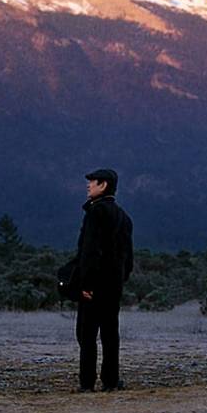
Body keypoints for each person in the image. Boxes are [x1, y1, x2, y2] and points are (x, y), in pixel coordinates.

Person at [74, 168, 133, 392]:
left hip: (95, 285)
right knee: (110, 333)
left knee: (86, 333)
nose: (88, 185)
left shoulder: (95, 213)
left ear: (104, 185)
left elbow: (90, 251)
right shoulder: (124, 217)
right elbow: (129, 256)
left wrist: (86, 283)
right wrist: (120, 278)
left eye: (92, 182)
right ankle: (110, 380)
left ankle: (87, 383)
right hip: (114, 285)